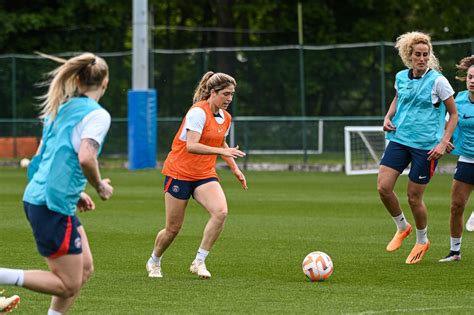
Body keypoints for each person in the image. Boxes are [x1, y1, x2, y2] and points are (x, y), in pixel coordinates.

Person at [0, 52, 113, 314]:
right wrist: (98, 186)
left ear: (77, 79)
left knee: (84, 269)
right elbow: (86, 157)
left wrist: (77, 191)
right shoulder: (98, 115)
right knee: (67, 285)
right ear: (104, 82)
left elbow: (48, 156)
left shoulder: (62, 107)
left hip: (45, 197)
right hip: (51, 204)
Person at [146, 71, 247, 279]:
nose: (229, 99)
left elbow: (221, 144)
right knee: (172, 229)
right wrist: (222, 152)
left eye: (232, 94)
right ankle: (154, 261)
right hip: (179, 173)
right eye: (226, 94)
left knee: (221, 212)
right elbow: (192, 146)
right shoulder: (197, 113)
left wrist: (235, 169)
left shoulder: (226, 117)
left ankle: (199, 261)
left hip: (204, 174)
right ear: (213, 92)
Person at [377, 31, 458, 264]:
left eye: (426, 54)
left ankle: (422, 240)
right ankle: (402, 227)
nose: (422, 58)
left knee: (414, 197)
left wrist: (443, 142)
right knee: (383, 187)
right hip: (400, 139)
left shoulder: (438, 81)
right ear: (409, 56)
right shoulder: (401, 77)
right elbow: (398, 98)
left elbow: (453, 114)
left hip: (426, 148)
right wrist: (388, 116)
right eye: (418, 55)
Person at [439, 55, 474, 262]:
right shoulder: (458, 100)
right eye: (470, 76)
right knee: (456, 206)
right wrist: (444, 140)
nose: (472, 80)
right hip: (467, 160)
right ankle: (455, 252)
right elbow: (445, 124)